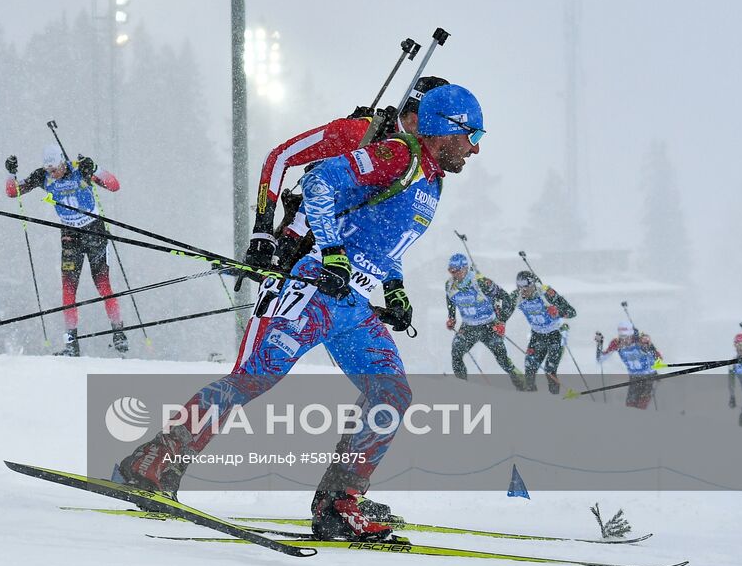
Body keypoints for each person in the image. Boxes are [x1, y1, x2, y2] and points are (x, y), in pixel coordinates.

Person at [115, 84, 485, 542]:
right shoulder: (397, 156)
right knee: (255, 377)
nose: (475, 147)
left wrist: (394, 288)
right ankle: (153, 461)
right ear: (446, 129)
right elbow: (318, 182)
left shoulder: (432, 181)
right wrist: (328, 251)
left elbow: (382, 243)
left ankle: (339, 503)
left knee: (391, 393)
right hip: (312, 288)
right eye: (473, 135)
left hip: (350, 304)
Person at [242, 77, 449, 277]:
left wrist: (393, 287)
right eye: (441, 128)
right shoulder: (359, 132)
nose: (442, 137)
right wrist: (263, 230)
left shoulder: (419, 164)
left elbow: (388, 231)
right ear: (416, 118)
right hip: (301, 244)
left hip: (343, 263)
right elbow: (279, 157)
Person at [6, 146, 123, 357]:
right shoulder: (43, 177)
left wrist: (95, 169)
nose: (53, 173)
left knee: (103, 285)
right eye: (48, 169)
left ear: (62, 163)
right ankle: (71, 344)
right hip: (70, 235)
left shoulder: (80, 169)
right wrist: (11, 174)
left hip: (94, 230)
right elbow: (13, 192)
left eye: (55, 169)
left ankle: (118, 332)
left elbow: (114, 186)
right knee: (68, 290)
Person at [444, 254, 522, 388]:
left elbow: (505, 297)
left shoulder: (480, 282)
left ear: (465, 269)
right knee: (456, 352)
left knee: (502, 359)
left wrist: (501, 321)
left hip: (489, 325)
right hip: (469, 326)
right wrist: (452, 317)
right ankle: (461, 385)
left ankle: (522, 384)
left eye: (456, 270)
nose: (453, 274)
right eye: (450, 270)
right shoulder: (450, 285)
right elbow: (450, 300)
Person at [511, 270, 576, 393]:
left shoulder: (547, 294)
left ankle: (555, 400)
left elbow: (572, 312)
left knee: (549, 371)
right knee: (529, 369)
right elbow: (504, 310)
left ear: (533, 285)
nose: (523, 291)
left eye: (526, 287)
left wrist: (557, 312)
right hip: (537, 336)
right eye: (519, 287)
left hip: (555, 334)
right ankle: (532, 401)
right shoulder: (517, 296)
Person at [595, 321, 663, 409]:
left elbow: (659, 359)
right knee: (630, 406)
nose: (624, 340)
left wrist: (650, 348)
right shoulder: (616, 343)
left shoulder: (640, 342)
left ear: (631, 335)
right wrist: (600, 344)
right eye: (621, 336)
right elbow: (600, 359)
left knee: (642, 406)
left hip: (650, 377)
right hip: (634, 378)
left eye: (626, 337)